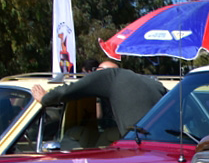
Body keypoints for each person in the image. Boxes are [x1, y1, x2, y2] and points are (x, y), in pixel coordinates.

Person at [30, 59, 167, 138]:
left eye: (97, 70)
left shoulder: (109, 76)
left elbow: (67, 91)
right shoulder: (151, 83)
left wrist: (45, 98)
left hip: (139, 146)